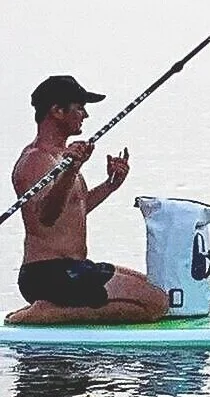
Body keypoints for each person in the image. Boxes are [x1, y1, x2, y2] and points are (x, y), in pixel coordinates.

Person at [7, 74, 169, 326]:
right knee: (154, 304)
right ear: (57, 111)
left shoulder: (64, 156)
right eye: (79, 107)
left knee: (153, 289)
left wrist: (110, 186)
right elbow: (47, 217)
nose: (85, 115)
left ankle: (55, 308)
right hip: (48, 273)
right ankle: (49, 313)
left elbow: (74, 210)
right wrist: (71, 169)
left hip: (74, 267)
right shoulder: (35, 160)